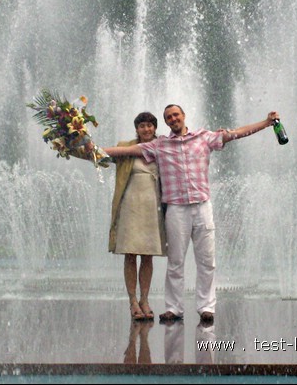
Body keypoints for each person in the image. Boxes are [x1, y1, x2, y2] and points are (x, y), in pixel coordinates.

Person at [104, 104, 280, 323]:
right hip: (176, 209)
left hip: (202, 206)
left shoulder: (204, 138)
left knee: (207, 261)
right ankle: (174, 308)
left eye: (176, 115)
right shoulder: (159, 145)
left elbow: (236, 134)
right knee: (175, 262)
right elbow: (122, 152)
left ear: (183, 116)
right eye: (169, 117)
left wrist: (266, 123)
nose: (173, 119)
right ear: (166, 122)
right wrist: (83, 148)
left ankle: (206, 307)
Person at [109, 112, 166, 321]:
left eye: (150, 126)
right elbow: (103, 157)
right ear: (136, 129)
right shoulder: (125, 147)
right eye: (142, 126)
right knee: (130, 254)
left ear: (155, 128)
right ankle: (133, 301)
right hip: (130, 206)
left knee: (148, 255)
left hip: (153, 206)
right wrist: (78, 145)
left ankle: (145, 299)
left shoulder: (164, 147)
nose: (146, 129)